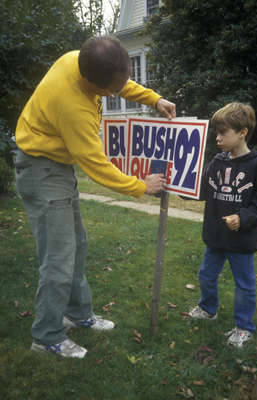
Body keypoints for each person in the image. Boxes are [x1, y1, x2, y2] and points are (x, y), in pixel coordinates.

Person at [14, 36, 176, 358]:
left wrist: (153, 99)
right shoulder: (72, 105)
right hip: (41, 170)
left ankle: (77, 313)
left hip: (57, 166)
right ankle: (46, 336)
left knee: (78, 245)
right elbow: (96, 166)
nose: (118, 92)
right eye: (111, 90)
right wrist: (140, 186)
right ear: (90, 82)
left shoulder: (83, 59)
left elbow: (122, 84)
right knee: (58, 258)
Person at [188, 102, 257, 348]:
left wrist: (243, 218)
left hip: (242, 240)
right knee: (206, 275)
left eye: (223, 132)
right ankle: (208, 308)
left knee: (244, 285)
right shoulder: (216, 163)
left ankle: (244, 327)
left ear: (242, 132)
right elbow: (200, 190)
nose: (218, 137)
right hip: (216, 237)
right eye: (216, 132)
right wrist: (177, 186)